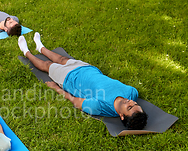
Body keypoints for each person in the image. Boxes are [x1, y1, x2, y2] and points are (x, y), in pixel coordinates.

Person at [18, 33, 148, 129]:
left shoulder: (99, 106)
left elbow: (75, 101)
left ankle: (26, 52)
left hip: (69, 79)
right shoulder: (132, 92)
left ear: (121, 116)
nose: (130, 101)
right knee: (62, 58)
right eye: (135, 104)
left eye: (129, 107)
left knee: (47, 65)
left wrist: (56, 88)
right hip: (87, 69)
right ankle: (40, 48)